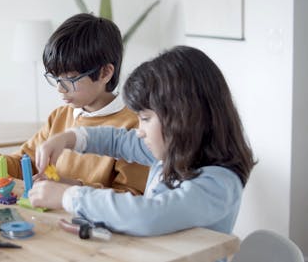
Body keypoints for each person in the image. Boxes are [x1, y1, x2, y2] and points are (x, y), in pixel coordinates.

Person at [29, 46, 256, 239]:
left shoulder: (218, 185)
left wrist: (68, 197)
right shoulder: (168, 154)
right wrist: (69, 138)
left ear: (182, 119)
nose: (139, 132)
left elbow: (148, 215)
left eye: (145, 119)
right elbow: (117, 140)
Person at [0, 13, 149, 194]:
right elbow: (26, 163)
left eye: (70, 80)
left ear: (105, 73)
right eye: (56, 79)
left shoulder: (134, 127)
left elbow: (131, 196)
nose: (60, 89)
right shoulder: (60, 116)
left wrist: (70, 186)